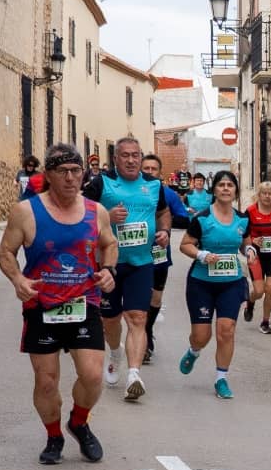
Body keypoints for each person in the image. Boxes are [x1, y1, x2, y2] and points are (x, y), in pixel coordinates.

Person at [0, 142, 118, 465]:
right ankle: (54, 436)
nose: (70, 178)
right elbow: (5, 251)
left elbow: (109, 243)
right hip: (42, 305)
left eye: (76, 171)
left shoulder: (96, 211)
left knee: (92, 375)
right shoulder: (26, 211)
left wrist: (109, 270)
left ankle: (79, 422)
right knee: (47, 381)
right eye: (62, 171)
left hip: (84, 302)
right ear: (48, 175)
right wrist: (18, 279)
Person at [83, 136, 170, 401]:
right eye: (125, 155)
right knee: (110, 321)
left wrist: (165, 231)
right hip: (109, 265)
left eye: (136, 155)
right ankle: (115, 352)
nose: (131, 160)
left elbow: (163, 212)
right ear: (115, 159)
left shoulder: (154, 185)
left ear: (141, 157)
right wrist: (106, 217)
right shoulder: (102, 183)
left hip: (142, 263)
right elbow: (80, 214)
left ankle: (134, 374)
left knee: (137, 318)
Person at [178, 170, 252, 400]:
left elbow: (245, 244)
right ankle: (194, 351)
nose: (226, 189)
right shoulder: (202, 218)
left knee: (226, 331)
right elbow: (185, 245)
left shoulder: (243, 219)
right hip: (202, 283)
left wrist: (250, 251)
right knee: (202, 336)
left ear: (236, 190)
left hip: (231, 283)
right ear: (215, 190)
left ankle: (221, 378)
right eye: (221, 185)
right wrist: (201, 255)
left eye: (230, 185)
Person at [140, 153, 192, 364]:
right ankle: (143, 340)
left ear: (160, 173)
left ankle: (147, 329)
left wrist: (164, 220)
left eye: (153, 169)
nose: (150, 172)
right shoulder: (132, 192)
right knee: (138, 299)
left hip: (159, 254)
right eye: (146, 168)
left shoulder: (168, 194)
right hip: (134, 253)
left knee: (155, 299)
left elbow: (184, 220)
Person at [242, 181, 271, 334]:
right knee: (259, 291)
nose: (267, 196)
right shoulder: (250, 211)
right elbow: (244, 233)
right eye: (264, 193)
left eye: (270, 194)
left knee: (270, 288)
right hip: (256, 254)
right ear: (259, 195)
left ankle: (265, 322)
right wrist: (253, 241)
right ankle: (250, 301)